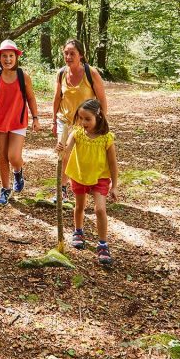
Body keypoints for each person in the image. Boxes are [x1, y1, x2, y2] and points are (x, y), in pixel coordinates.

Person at [57, 98, 118, 266]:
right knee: (80, 207)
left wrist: (115, 185)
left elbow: (113, 163)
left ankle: (103, 244)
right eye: (81, 118)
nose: (83, 122)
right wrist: (60, 149)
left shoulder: (106, 138)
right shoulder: (76, 134)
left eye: (87, 119)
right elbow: (66, 150)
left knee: (100, 209)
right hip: (79, 175)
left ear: (98, 116)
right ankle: (78, 231)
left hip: (100, 178)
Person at [0, 39, 39, 206]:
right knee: (2, 156)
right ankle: (5, 188)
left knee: (14, 156)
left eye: (11, 56)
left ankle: (18, 171)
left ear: (16, 57)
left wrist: (36, 118)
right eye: (4, 56)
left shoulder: (23, 76)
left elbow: (30, 97)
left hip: (18, 120)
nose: (7, 59)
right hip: (0, 120)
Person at [52, 39, 107, 198]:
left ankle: (87, 186)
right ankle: (61, 189)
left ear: (81, 55)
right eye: (66, 53)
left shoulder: (91, 73)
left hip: (84, 123)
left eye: (72, 53)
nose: (68, 56)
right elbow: (57, 98)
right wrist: (54, 121)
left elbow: (102, 99)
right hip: (65, 121)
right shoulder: (61, 73)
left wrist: (101, 122)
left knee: (82, 157)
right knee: (64, 154)